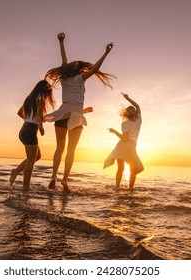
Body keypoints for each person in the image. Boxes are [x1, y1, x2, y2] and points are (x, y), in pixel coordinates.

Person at [44, 32, 115, 193]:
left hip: (63, 113)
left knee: (59, 148)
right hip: (75, 115)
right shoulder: (79, 78)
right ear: (78, 70)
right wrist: (105, 53)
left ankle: (54, 177)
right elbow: (96, 68)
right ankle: (64, 180)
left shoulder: (65, 79)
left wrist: (61, 41)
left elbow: (63, 60)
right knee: (71, 150)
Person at [9, 80, 55, 189]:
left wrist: (29, 120)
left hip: (25, 129)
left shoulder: (29, 98)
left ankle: (16, 171)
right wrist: (40, 126)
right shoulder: (41, 98)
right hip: (30, 130)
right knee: (31, 160)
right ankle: (25, 187)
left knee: (37, 156)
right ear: (45, 89)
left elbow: (19, 113)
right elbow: (39, 113)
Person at [104, 93, 144, 190]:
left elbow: (124, 138)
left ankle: (117, 188)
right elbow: (137, 106)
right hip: (130, 146)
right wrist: (128, 98)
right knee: (133, 169)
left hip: (122, 146)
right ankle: (130, 190)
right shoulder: (138, 120)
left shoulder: (125, 123)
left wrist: (114, 132)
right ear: (134, 112)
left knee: (120, 168)